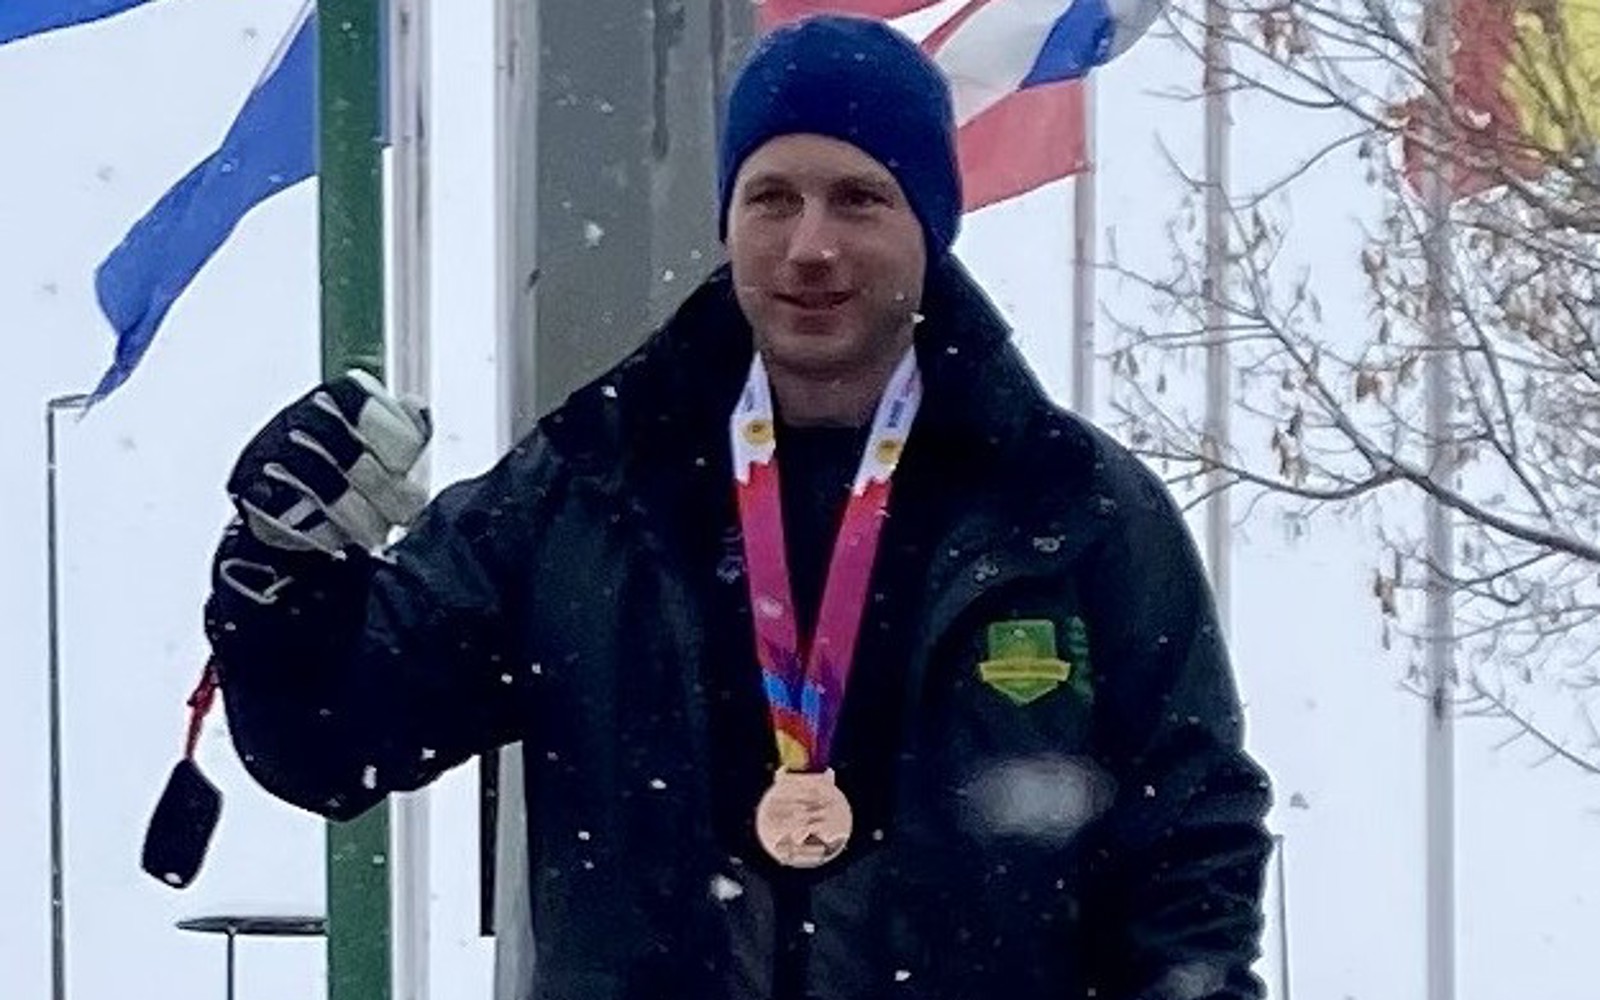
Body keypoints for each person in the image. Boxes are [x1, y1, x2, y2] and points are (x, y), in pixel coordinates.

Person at [206, 15, 1273, 1000]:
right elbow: (336, 742)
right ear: (729, 217)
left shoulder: (1069, 508)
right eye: (773, 197)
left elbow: (1189, 839)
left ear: (929, 224)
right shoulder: (588, 486)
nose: (811, 244)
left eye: (858, 197)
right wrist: (280, 572)